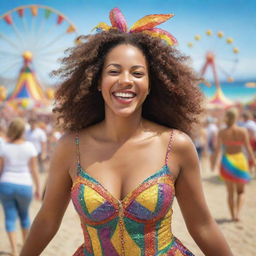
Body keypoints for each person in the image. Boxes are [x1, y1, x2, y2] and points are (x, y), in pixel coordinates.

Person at [20, 8, 233, 256]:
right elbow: (47, 220)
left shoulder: (176, 145)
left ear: (151, 84)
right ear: (97, 82)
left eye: (137, 73)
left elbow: (202, 226)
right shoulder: (71, 146)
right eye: (113, 71)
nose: (126, 80)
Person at [0, 118, 40, 256]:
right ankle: (25, 248)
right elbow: (34, 170)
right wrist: (38, 188)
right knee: (24, 217)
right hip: (25, 184)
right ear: (23, 131)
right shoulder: (29, 147)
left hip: (6, 183)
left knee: (10, 218)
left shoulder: (4, 146)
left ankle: (14, 251)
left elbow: (1, 168)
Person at [211, 108, 255, 222]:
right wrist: (253, 161)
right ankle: (238, 215)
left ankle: (232, 215)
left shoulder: (222, 132)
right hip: (240, 160)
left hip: (227, 162)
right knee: (241, 192)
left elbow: (217, 150)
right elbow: (248, 148)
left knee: (230, 193)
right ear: (236, 118)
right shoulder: (242, 131)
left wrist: (213, 163)